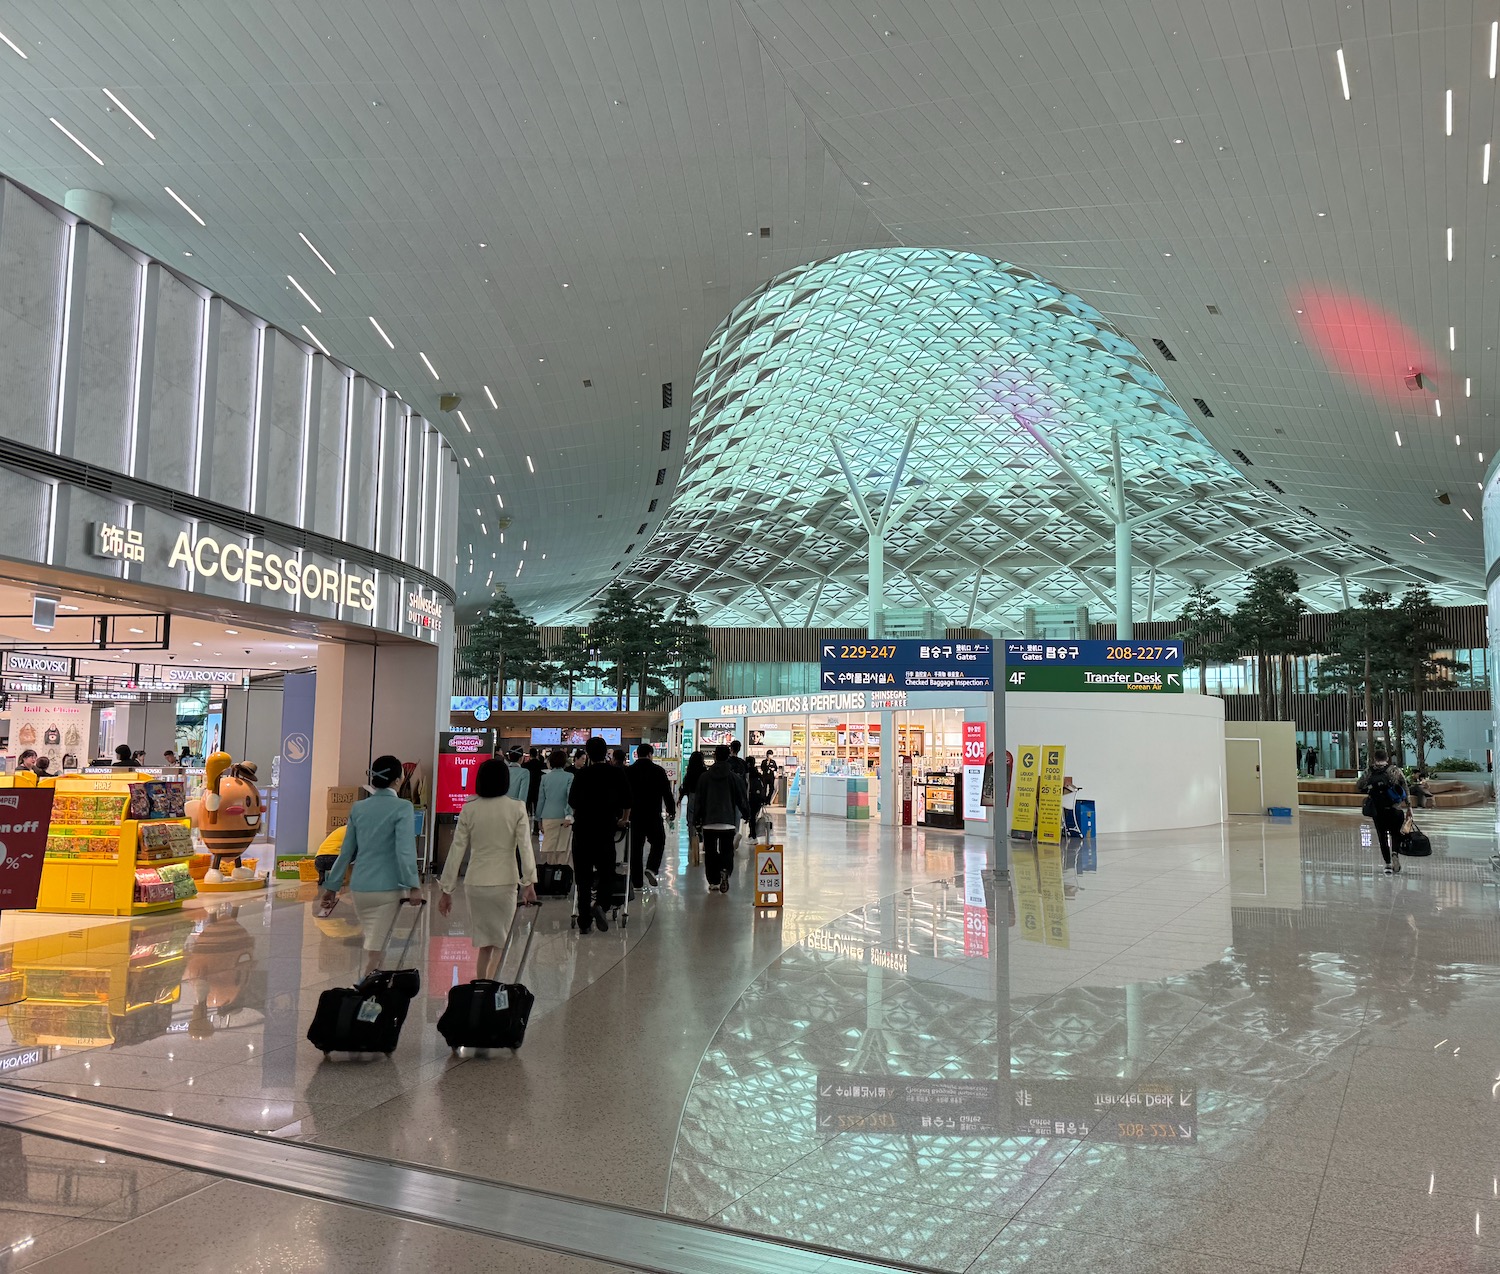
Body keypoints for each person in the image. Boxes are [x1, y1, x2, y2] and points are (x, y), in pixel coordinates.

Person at [320, 754, 421, 974]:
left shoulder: (359, 808)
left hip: (361, 887)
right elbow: (404, 850)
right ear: (398, 779)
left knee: (376, 943)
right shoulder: (403, 807)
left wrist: (332, 886)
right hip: (388, 888)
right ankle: (365, 989)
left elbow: (346, 851)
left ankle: (374, 994)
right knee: (377, 947)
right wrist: (413, 885)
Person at [437, 758, 536, 980]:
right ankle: (491, 987)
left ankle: (479, 987)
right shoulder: (516, 807)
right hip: (504, 881)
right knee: (501, 940)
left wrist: (447, 890)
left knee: (484, 944)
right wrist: (528, 881)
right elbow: (525, 848)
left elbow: (456, 851)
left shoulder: (469, 809)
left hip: (476, 882)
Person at [566, 736, 631, 933]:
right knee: (607, 873)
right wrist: (622, 819)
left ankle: (584, 922)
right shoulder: (616, 774)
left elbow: (572, 801)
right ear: (606, 753)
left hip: (583, 831)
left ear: (587, 754)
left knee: (583, 878)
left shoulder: (582, 775)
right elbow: (628, 800)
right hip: (606, 830)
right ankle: (600, 906)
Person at [694, 745, 749, 893]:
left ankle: (713, 882)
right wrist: (746, 814)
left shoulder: (704, 777)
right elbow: (741, 798)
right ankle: (725, 869)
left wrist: (696, 819)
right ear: (728, 757)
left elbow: (699, 799)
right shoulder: (734, 778)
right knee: (727, 850)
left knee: (710, 852)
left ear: (714, 756)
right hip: (727, 821)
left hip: (709, 821)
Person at [627, 743, 676, 888]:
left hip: (634, 815)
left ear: (637, 754)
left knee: (635, 848)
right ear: (650, 754)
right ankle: (651, 868)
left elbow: (624, 794)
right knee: (658, 841)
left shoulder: (629, 771)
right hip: (653, 814)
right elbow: (667, 792)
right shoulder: (658, 771)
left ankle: (637, 882)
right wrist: (671, 810)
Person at [1357, 747, 1409, 876]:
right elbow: (1405, 787)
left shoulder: (1369, 771)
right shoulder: (1394, 770)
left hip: (1378, 809)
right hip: (1395, 808)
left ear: (1375, 759)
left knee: (1382, 836)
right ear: (1387, 758)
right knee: (1395, 834)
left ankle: (1387, 864)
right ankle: (1395, 853)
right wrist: (1409, 807)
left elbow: (1359, 785)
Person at [536, 748, 574, 861]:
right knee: (562, 849)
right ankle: (560, 875)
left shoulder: (544, 778)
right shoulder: (570, 776)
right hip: (563, 816)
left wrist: (538, 819)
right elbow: (569, 797)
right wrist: (569, 815)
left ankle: (549, 873)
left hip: (547, 816)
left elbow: (541, 799)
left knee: (548, 847)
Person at [680, 750, 707, 867]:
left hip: (692, 797)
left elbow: (685, 785)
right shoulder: (704, 771)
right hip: (703, 797)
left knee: (691, 821)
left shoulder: (689, 771)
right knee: (704, 820)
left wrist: (680, 797)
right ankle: (705, 843)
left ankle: (693, 844)